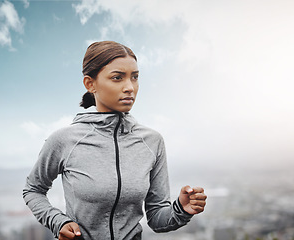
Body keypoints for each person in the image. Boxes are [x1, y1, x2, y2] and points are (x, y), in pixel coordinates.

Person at [23, 41, 207, 240]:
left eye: (134, 77)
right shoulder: (64, 140)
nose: (130, 87)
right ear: (90, 84)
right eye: (117, 78)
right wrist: (59, 222)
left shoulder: (152, 142)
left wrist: (182, 208)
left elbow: (156, 219)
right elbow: (33, 190)